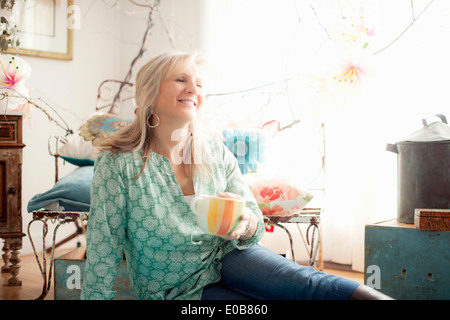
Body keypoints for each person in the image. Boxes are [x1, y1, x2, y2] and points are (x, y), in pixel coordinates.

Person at [80, 51, 391, 300]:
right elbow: (103, 244)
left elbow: (253, 223)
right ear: (147, 91)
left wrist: (243, 225)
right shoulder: (118, 163)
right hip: (175, 288)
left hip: (228, 255)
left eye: (199, 84)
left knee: (307, 283)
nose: (193, 89)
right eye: (180, 79)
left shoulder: (214, 151)